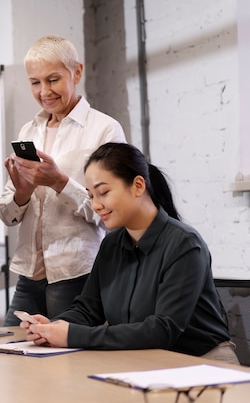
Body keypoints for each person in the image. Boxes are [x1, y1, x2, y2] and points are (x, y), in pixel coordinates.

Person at [21, 142, 238, 363]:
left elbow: (162, 330)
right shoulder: (111, 244)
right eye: (91, 196)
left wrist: (72, 335)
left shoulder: (184, 244)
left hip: (204, 363)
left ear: (138, 185)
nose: (96, 205)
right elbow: (88, 309)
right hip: (144, 361)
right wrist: (54, 326)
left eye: (103, 192)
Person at [0, 35, 126, 326]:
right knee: (10, 358)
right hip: (28, 273)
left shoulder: (104, 130)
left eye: (53, 79)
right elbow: (7, 215)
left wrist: (59, 182)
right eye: (35, 82)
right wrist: (21, 194)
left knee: (68, 365)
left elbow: (113, 215)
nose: (44, 91)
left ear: (77, 72)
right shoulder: (27, 131)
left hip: (76, 274)